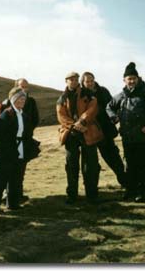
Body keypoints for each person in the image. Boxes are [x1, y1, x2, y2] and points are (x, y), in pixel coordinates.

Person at [106, 62, 145, 202]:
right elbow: (109, 107)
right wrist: (114, 117)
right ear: (124, 80)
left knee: (143, 163)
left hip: (142, 136)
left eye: (133, 78)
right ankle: (131, 190)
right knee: (130, 164)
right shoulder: (121, 95)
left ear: (138, 78)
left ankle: (144, 191)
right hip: (127, 136)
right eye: (128, 78)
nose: (131, 81)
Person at [56, 72, 103, 204]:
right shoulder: (62, 98)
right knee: (71, 166)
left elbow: (93, 109)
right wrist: (74, 126)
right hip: (71, 135)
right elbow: (61, 116)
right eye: (71, 79)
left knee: (91, 165)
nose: (74, 81)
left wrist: (82, 122)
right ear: (66, 81)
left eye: (76, 79)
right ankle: (72, 195)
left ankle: (92, 195)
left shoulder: (87, 94)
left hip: (87, 132)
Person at [81, 72, 127, 189]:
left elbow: (112, 105)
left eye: (91, 80)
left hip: (105, 131)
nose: (90, 83)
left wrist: (114, 117)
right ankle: (91, 189)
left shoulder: (103, 91)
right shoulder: (80, 95)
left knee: (113, 157)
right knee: (90, 163)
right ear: (83, 82)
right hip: (89, 132)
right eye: (87, 81)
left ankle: (125, 182)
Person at [0, 88, 33, 211]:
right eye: (20, 99)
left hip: (20, 150)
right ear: (13, 99)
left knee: (16, 178)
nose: (22, 101)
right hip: (7, 152)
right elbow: (1, 135)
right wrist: (10, 147)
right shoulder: (6, 114)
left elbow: (27, 133)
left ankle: (13, 204)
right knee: (1, 179)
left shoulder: (24, 115)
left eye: (24, 99)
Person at [14, 78, 39, 201]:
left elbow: (35, 119)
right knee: (12, 168)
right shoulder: (10, 102)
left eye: (26, 87)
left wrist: (27, 131)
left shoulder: (31, 102)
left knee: (21, 168)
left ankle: (18, 194)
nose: (24, 89)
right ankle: (9, 195)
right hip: (13, 141)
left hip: (26, 139)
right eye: (21, 86)